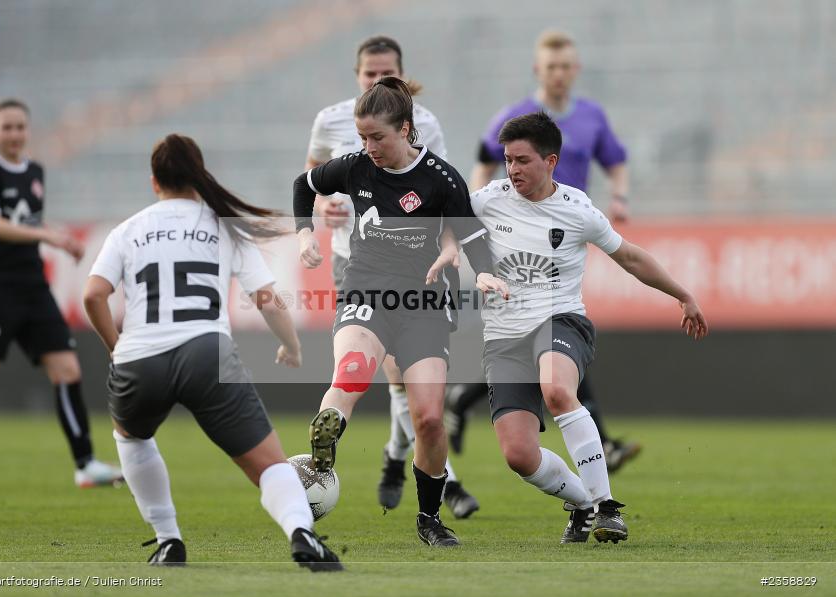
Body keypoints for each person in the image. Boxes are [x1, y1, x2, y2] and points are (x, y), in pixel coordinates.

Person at [83, 133, 341, 570]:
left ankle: (169, 541)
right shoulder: (223, 226)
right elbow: (267, 299)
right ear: (200, 176)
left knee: (132, 439)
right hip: (206, 352)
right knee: (267, 464)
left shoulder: (127, 230)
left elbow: (93, 296)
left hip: (139, 358)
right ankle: (302, 534)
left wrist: (116, 347)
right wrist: (291, 346)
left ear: (154, 181)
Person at [472, 111, 708, 543]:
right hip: (504, 337)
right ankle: (583, 504)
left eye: (522, 160)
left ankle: (607, 507)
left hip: (560, 320)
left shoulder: (578, 209)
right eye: (508, 160)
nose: (513, 169)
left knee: (558, 390)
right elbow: (445, 226)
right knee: (518, 455)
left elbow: (630, 257)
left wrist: (682, 294)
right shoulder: (488, 200)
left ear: (551, 161)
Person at [294, 77, 507, 547]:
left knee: (429, 418)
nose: (367, 147)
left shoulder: (442, 178)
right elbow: (303, 184)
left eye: (377, 138)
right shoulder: (353, 168)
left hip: (424, 303)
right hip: (366, 290)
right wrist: (305, 234)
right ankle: (324, 447)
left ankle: (429, 517)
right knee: (352, 371)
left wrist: (485, 272)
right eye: (362, 137)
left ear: (406, 129)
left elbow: (469, 234)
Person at [447, 30, 640, 472]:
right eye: (551, 67)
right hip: (515, 239)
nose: (558, 74)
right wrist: (475, 218)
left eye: (565, 66)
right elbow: (483, 160)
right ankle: (601, 444)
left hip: (567, 235)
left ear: (576, 70)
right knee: (549, 332)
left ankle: (465, 396)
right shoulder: (517, 117)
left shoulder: (592, 116)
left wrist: (621, 197)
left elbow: (616, 160)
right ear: (538, 70)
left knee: (554, 334)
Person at [0, 99, 122, 492]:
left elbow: (27, 221)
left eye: (21, 127)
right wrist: (47, 236)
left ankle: (85, 463)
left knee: (67, 370)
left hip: (34, 289)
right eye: (8, 127)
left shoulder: (34, 171)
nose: (15, 134)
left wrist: (58, 237)